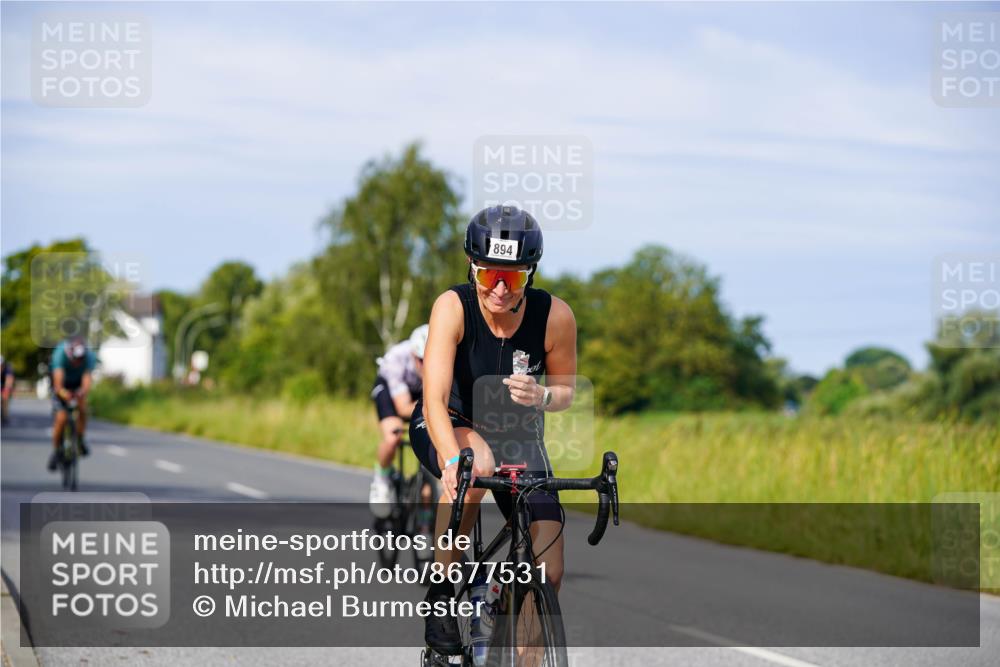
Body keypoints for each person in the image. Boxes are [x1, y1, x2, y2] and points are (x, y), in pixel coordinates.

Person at [410, 205, 578, 655]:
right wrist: (451, 460)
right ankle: (443, 595)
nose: (500, 289)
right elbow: (433, 398)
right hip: (451, 422)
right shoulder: (453, 307)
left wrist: (543, 397)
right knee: (474, 466)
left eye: (514, 277)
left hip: (517, 436)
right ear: (472, 267)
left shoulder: (555, 316)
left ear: (531, 273)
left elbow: (565, 390)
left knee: (550, 567)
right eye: (489, 276)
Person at [369, 324, 429, 516]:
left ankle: (426, 521)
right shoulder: (396, 358)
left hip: (419, 391)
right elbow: (403, 408)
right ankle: (381, 480)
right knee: (393, 436)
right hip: (389, 389)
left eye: (430, 360)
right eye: (421, 360)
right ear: (413, 355)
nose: (425, 365)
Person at [48, 337, 95, 471]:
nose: (78, 363)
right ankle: (56, 451)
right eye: (76, 360)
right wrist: (64, 394)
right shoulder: (60, 355)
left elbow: (86, 380)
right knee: (61, 418)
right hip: (62, 384)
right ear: (69, 355)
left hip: (77, 384)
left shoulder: (89, 356)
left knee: (83, 408)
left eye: (81, 360)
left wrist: (82, 392)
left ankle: (80, 439)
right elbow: (58, 384)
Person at [0, 356, 14, 426]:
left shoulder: (7, 369)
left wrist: (5, 391)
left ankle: (4, 416)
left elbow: (9, 381)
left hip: (5, 385)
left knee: (4, 398)